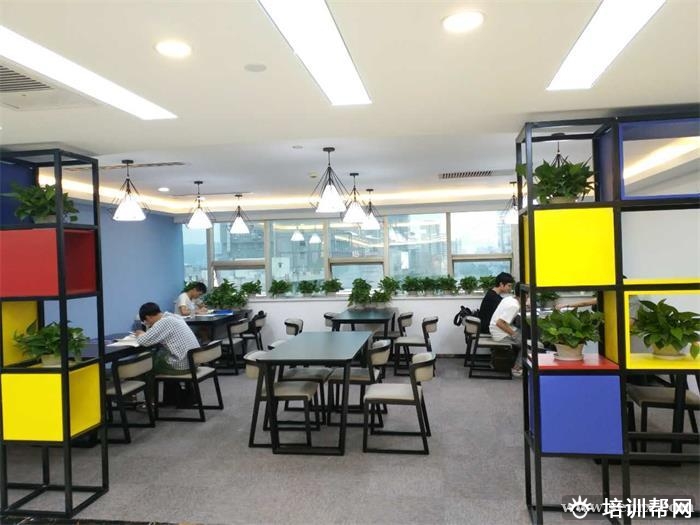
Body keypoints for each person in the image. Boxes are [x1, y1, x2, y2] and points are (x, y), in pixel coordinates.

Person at [134, 302, 200, 375]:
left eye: (146, 322)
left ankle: (143, 382)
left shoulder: (163, 322)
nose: (148, 324)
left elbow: (143, 341)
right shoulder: (174, 316)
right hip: (193, 362)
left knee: (146, 363)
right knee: (160, 353)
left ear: (148, 317)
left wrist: (140, 333)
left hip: (183, 366)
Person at [489, 282, 526, 377]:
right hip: (500, 334)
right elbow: (500, 323)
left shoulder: (509, 299)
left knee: (524, 334)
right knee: (528, 345)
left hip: (495, 329)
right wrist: (515, 336)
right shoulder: (514, 306)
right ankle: (517, 368)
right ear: (526, 295)